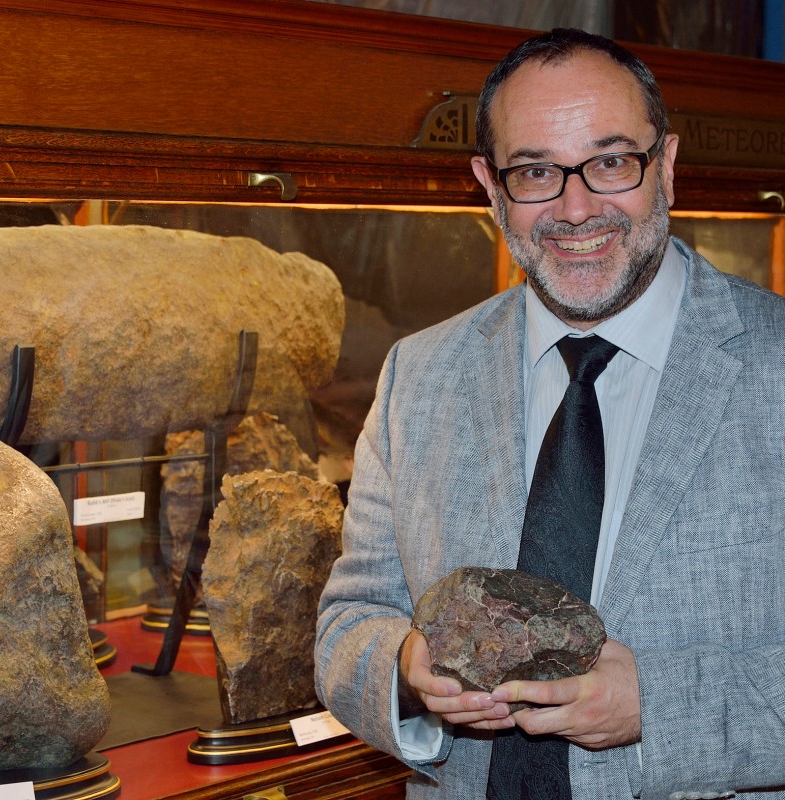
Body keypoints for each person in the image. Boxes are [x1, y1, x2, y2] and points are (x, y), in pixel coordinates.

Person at [315, 27, 785, 800]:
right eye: (536, 170)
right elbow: (348, 622)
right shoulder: (418, 373)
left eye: (609, 162)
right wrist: (405, 670)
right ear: (491, 186)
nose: (575, 208)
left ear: (665, 166)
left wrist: (661, 708)